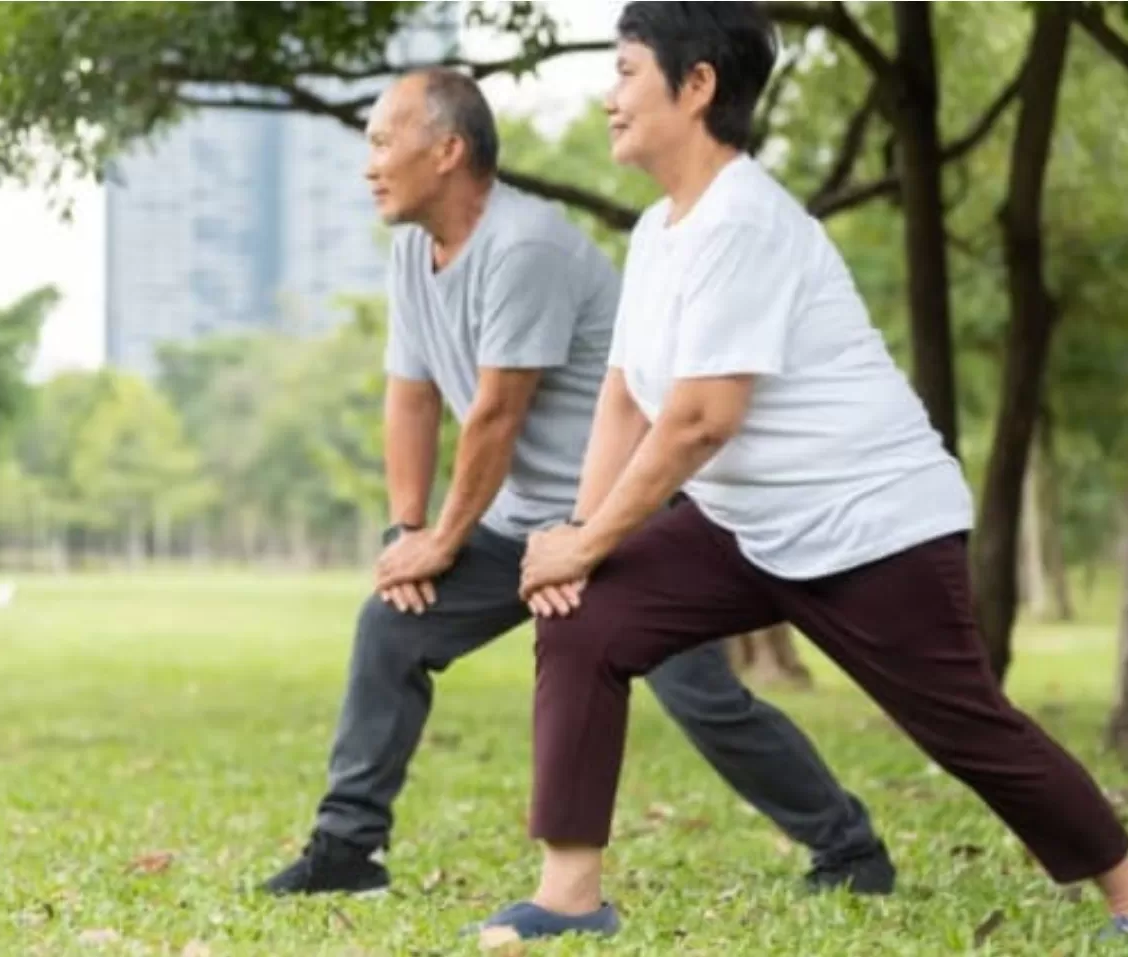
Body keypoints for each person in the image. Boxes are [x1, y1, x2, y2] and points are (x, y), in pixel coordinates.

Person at [472, 2, 1128, 945]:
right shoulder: (657, 235)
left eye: (627, 70)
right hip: (743, 526)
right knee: (584, 619)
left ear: (697, 86)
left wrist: (588, 540)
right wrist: (577, 544)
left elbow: (699, 420)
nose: (610, 97)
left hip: (870, 524)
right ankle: (569, 896)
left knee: (964, 724)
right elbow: (627, 403)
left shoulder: (746, 222)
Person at [260, 65, 897, 899]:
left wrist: (444, 541)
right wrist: (405, 532)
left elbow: (495, 415)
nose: (369, 163)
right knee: (391, 627)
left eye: (383, 141)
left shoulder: (524, 246)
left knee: (700, 694)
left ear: (448, 150)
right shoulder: (415, 251)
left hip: (623, 518)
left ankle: (850, 850)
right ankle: (347, 851)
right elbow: (411, 396)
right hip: (519, 522)